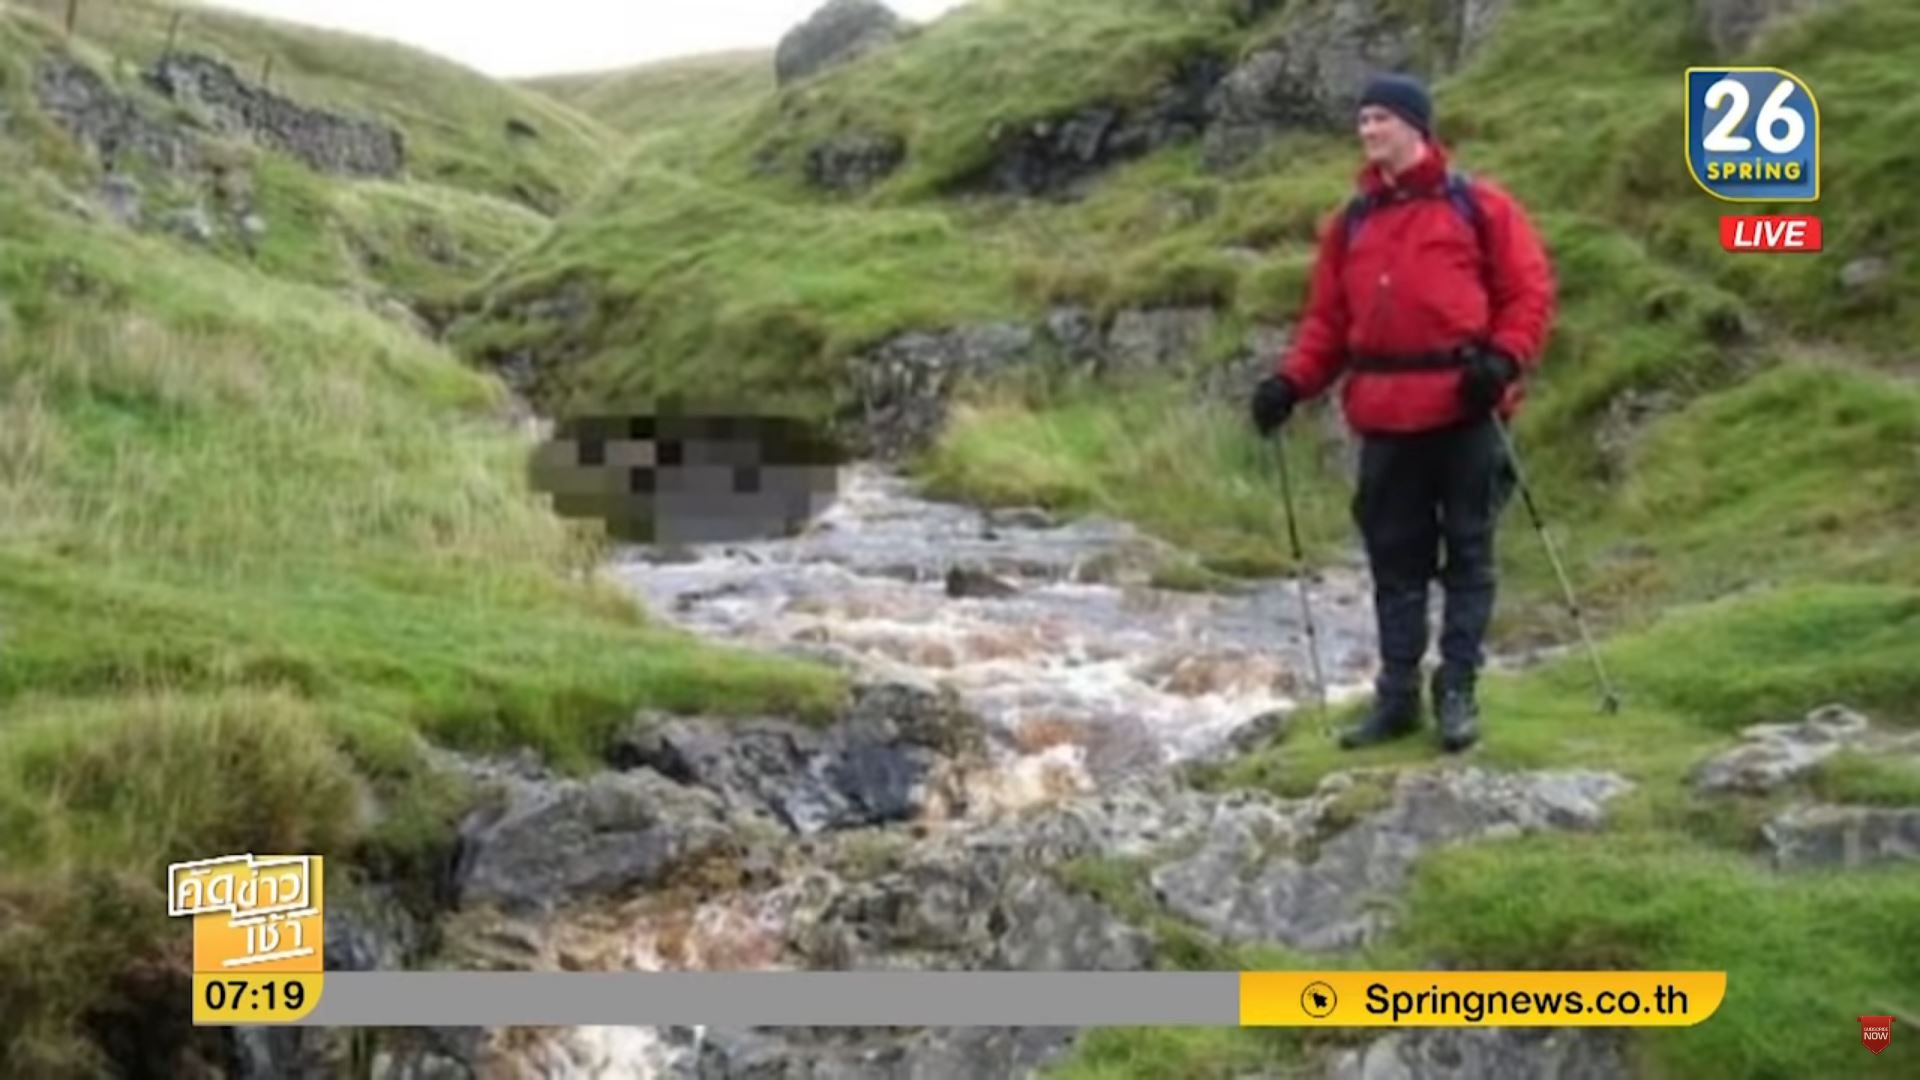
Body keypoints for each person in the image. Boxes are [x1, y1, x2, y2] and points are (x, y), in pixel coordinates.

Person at [1249, 73, 1556, 753]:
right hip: (1385, 416)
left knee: (1470, 554)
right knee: (1395, 560)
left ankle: (1458, 692)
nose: (1367, 131)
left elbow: (1527, 292)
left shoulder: (1480, 206)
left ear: (1417, 126)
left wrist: (1502, 361)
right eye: (1362, 120)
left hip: (1466, 408)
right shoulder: (1350, 224)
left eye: (1380, 118)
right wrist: (1290, 384)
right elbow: (1327, 324)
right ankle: (1396, 698)